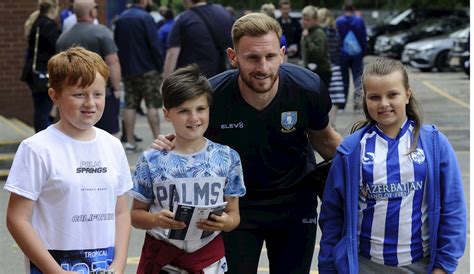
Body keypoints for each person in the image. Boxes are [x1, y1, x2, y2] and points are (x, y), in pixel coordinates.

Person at [153, 13, 341, 274]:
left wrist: (371, 166)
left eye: (271, 57)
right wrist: (168, 144)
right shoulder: (213, 97)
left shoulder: (307, 88)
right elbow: (191, 139)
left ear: (282, 54)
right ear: (233, 57)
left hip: (295, 205)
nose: (263, 67)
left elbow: (328, 142)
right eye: (252, 57)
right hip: (236, 210)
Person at [318, 58, 466, 274]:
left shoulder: (434, 144)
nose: (384, 103)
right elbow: (332, 216)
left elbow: (453, 209)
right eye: (375, 97)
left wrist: (443, 265)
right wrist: (328, 267)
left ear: (407, 94)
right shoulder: (351, 149)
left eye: (392, 95)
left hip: (420, 265)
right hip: (365, 265)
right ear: (365, 100)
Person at [5, 47, 132, 274]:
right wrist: (55, 271)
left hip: (105, 266)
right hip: (55, 265)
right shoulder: (37, 149)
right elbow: (17, 218)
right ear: (55, 96)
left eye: (97, 94)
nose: (90, 103)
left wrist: (119, 264)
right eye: (79, 94)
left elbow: (121, 212)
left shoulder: (112, 146)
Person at [129, 64, 246, 273]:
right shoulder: (152, 160)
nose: (194, 118)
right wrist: (156, 219)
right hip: (163, 261)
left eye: (200, 109)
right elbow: (136, 215)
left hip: (209, 261)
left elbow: (234, 215)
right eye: (183, 111)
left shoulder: (228, 158)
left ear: (210, 108)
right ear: (167, 114)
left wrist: (225, 222)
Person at [57, 0, 122, 138]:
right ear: (92, 12)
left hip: (73, 97)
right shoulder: (102, 32)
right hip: (101, 93)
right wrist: (116, 88)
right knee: (110, 133)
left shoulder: (63, 37)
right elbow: (113, 61)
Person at [114, 0, 164, 152]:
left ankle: (129, 142)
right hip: (148, 69)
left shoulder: (121, 18)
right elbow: (154, 44)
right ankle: (158, 141)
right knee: (152, 105)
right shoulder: (146, 17)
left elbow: (117, 45)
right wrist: (160, 67)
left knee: (130, 105)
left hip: (128, 70)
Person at [162, 0, 234, 78]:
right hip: (224, 78)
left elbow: (172, 54)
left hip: (196, 82)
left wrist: (165, 82)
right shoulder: (224, 13)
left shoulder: (183, 19)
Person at [21, 1, 60, 132]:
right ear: (53, 8)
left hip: (33, 72)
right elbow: (57, 48)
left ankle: (42, 135)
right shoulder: (48, 25)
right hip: (43, 73)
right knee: (43, 110)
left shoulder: (36, 22)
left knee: (40, 109)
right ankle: (44, 138)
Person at [336, 3, 367, 111]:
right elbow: (364, 37)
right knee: (358, 79)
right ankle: (357, 104)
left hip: (343, 55)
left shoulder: (339, 21)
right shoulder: (359, 21)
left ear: (343, 9)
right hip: (357, 55)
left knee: (343, 81)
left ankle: (342, 106)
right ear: (353, 9)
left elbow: (337, 38)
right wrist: (363, 52)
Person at [318, 7, 344, 128]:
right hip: (336, 65)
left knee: (323, 96)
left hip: (325, 66)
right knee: (336, 96)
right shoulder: (335, 31)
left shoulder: (321, 32)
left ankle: (328, 124)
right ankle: (332, 122)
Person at [300, 5, 332, 91]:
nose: (304, 22)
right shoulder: (307, 32)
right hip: (310, 71)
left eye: (308, 20)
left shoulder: (318, 33)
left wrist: (308, 39)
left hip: (321, 72)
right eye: (303, 19)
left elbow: (319, 54)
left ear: (315, 20)